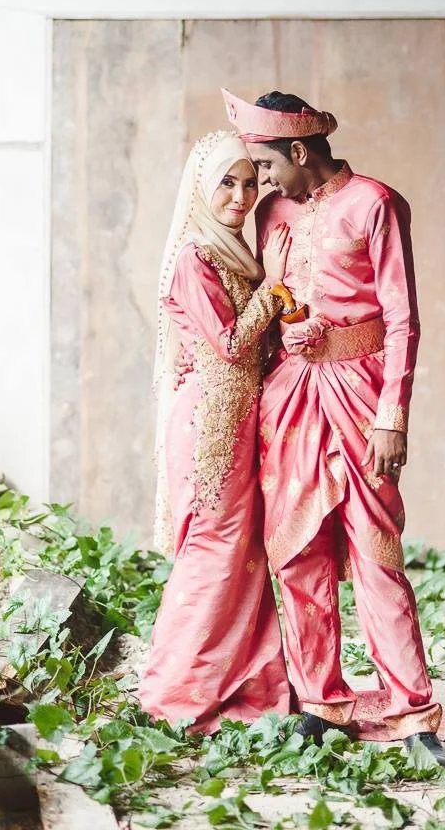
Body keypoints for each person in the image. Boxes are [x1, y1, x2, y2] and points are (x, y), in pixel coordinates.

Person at [220, 88, 445, 767]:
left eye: (266, 169)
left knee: (376, 550)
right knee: (298, 551)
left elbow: (403, 317)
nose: (260, 184)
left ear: (299, 151)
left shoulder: (374, 203)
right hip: (290, 396)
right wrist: (289, 328)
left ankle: (412, 712)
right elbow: (270, 301)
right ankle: (321, 702)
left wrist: (392, 415)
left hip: (361, 392)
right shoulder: (273, 215)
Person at [138, 130, 295, 733]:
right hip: (209, 427)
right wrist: (274, 297)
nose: (241, 195)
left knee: (243, 552)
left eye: (250, 181)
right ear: (201, 190)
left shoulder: (232, 250)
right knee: (212, 552)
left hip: (237, 420)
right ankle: (171, 695)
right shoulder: (195, 257)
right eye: (226, 183)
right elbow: (229, 344)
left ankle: (245, 685)